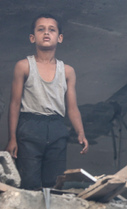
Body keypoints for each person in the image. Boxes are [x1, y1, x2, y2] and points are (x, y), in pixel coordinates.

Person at [5, 13, 89, 190]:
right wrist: (12, 137)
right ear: (32, 37)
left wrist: (80, 131)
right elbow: (14, 104)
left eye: (52, 30)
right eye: (41, 29)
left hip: (57, 128)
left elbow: (72, 108)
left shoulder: (67, 71)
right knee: (29, 181)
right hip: (30, 127)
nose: (46, 33)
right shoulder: (24, 66)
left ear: (59, 38)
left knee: (54, 182)